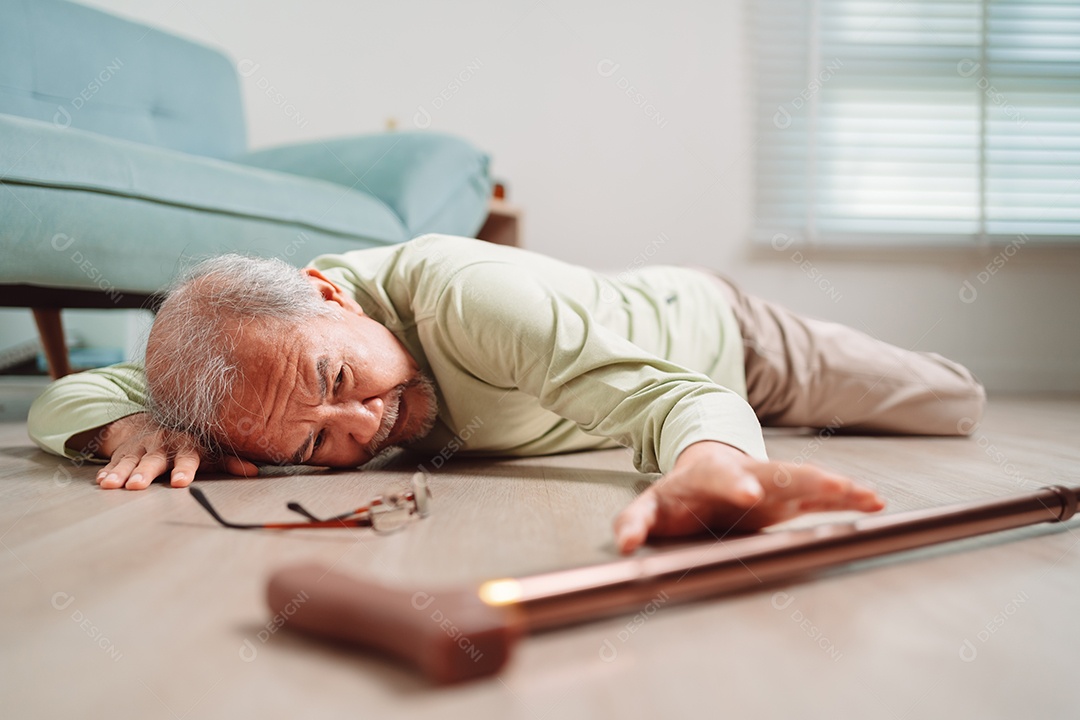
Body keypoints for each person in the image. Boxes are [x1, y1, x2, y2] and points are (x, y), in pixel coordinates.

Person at [27, 235, 985, 553]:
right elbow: (58, 397)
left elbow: (670, 396)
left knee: (953, 403)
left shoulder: (462, 296)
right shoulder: (230, 368)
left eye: (338, 378)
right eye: (313, 447)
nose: (363, 426)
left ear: (326, 295)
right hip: (648, 374)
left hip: (726, 339)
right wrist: (128, 421)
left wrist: (714, 466)